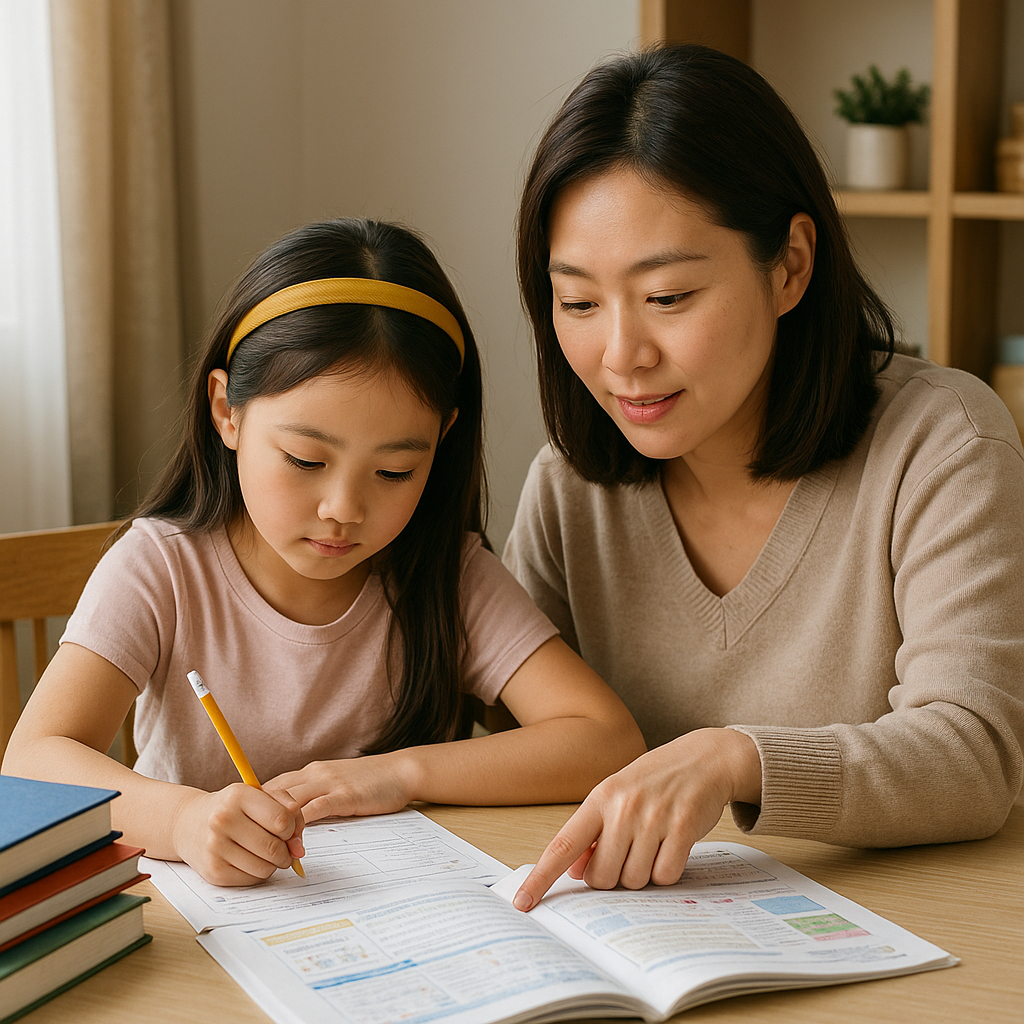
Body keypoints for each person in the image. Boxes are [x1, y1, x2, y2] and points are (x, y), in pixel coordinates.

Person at [503, 44, 1024, 912]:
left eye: (667, 297)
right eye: (580, 303)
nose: (621, 356)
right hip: (646, 940)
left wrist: (733, 757)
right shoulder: (568, 488)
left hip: (904, 946)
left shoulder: (944, 442)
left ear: (789, 265)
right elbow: (509, 731)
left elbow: (976, 755)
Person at [3, 217, 645, 887]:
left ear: (442, 441)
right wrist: (184, 822)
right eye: (306, 458)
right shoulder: (162, 568)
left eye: (395, 471)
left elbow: (606, 738)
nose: (344, 507)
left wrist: (397, 773)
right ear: (227, 412)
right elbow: (34, 762)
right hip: (203, 940)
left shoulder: (446, 574)